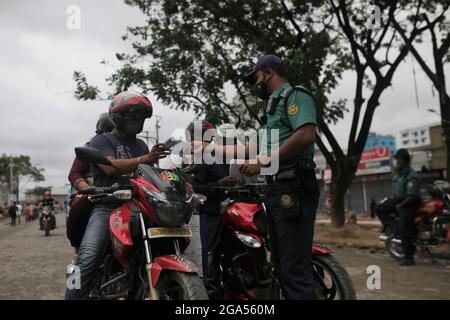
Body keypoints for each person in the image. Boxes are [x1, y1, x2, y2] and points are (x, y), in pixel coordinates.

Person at [193, 54, 319, 299]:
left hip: (293, 187)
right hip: (276, 190)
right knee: (281, 264)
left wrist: (263, 162)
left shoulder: (295, 96)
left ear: (268, 73)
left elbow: (305, 134)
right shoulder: (272, 113)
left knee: (294, 268)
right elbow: (249, 149)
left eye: (256, 78)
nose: (254, 85)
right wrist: (208, 148)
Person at [65, 91, 169, 300]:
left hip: (139, 205)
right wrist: (146, 158)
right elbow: (111, 168)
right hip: (108, 207)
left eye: (140, 117)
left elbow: (147, 175)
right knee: (87, 258)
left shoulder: (140, 144)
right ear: (118, 118)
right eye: (132, 116)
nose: (137, 121)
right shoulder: (101, 140)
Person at [191, 122, 238, 277]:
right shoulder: (203, 160)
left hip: (233, 214)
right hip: (211, 215)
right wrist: (219, 184)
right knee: (208, 254)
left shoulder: (233, 158)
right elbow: (196, 188)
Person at [375, 149, 421, 266]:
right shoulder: (398, 173)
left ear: (404, 160)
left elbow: (412, 196)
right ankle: (393, 227)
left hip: (408, 203)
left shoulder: (411, 176)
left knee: (405, 228)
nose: (396, 161)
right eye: (396, 159)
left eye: (398, 159)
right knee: (378, 208)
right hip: (397, 200)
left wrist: (401, 205)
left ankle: (409, 257)